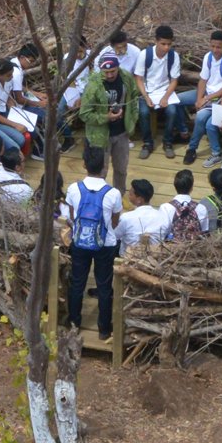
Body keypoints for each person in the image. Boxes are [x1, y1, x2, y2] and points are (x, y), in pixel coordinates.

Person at [64, 145, 124, 340]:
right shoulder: (113, 193)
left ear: (84, 164)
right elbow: (115, 222)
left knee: (77, 283)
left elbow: (73, 216)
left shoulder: (74, 188)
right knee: (104, 286)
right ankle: (104, 329)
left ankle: (74, 322)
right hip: (105, 245)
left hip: (79, 242)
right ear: (105, 166)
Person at [78, 54, 139, 190]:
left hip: (122, 133)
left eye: (113, 71)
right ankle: (99, 197)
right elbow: (84, 114)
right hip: (100, 136)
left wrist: (132, 119)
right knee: (100, 172)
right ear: (101, 70)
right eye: (106, 72)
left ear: (118, 68)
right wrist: (106, 117)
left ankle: (120, 194)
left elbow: (134, 97)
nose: (110, 75)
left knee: (121, 168)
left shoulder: (126, 78)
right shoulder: (94, 84)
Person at [181, 30, 222, 165]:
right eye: (213, 46)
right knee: (176, 101)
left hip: (220, 97)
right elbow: (203, 80)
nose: (215, 50)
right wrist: (199, 99)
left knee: (201, 118)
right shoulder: (208, 57)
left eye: (219, 47)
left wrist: (206, 98)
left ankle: (192, 148)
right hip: (207, 94)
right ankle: (182, 131)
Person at [135, 24, 184, 159]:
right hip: (147, 91)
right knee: (143, 112)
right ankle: (147, 143)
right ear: (156, 41)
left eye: (169, 44)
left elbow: (174, 80)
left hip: (165, 91)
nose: (166, 47)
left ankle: (167, 142)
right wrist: (145, 96)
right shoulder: (145, 55)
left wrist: (166, 97)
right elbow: (139, 78)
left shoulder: (173, 56)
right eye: (163, 44)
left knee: (172, 111)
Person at [0, 58, 30, 153]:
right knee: (20, 139)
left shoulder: (7, 80)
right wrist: (15, 124)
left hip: (6, 111)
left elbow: (7, 97)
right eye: (9, 75)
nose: (12, 77)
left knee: (31, 129)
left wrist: (14, 110)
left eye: (12, 74)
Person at [55, 38, 92, 151]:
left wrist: (83, 98)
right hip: (73, 90)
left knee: (90, 111)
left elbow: (95, 81)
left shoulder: (93, 57)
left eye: (80, 51)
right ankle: (68, 138)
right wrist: (72, 98)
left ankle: (92, 139)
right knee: (57, 112)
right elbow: (67, 79)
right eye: (74, 52)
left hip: (90, 90)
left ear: (86, 46)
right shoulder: (68, 58)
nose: (77, 55)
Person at [115, 179, 170, 254]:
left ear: (139, 200)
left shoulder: (126, 218)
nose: (128, 195)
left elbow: (115, 235)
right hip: (155, 258)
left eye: (131, 194)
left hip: (128, 258)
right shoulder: (163, 217)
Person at [159, 167, 210, 239]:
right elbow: (204, 232)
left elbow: (162, 233)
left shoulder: (165, 208)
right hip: (195, 247)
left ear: (175, 186)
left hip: (172, 248)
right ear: (191, 187)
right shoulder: (201, 208)